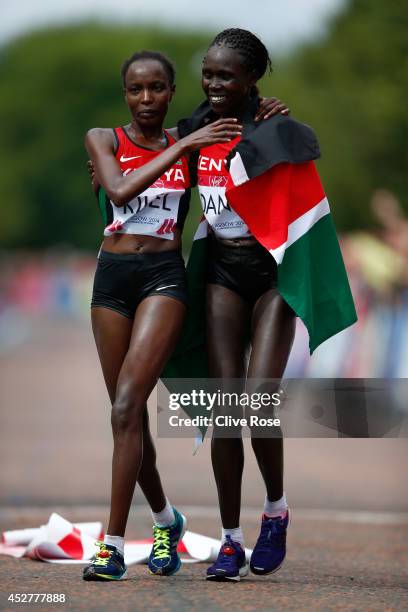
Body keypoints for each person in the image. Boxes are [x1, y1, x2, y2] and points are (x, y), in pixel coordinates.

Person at [82, 49, 244, 581]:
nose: (145, 99)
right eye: (135, 89)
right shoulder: (103, 139)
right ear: (124, 93)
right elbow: (120, 188)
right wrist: (184, 148)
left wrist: (269, 111)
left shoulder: (187, 141)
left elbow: (240, 117)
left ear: (173, 92)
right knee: (125, 416)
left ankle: (109, 546)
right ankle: (164, 521)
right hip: (111, 281)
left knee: (129, 403)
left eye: (156, 88)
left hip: (162, 280)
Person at [176, 28, 309, 582]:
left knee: (257, 402)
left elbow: (307, 163)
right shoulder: (192, 130)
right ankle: (230, 540)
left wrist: (278, 123)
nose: (213, 83)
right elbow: (162, 191)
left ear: (252, 79)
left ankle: (275, 511)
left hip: (274, 277)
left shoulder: (277, 126)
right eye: (208, 72)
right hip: (223, 276)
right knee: (226, 409)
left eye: (226, 75)